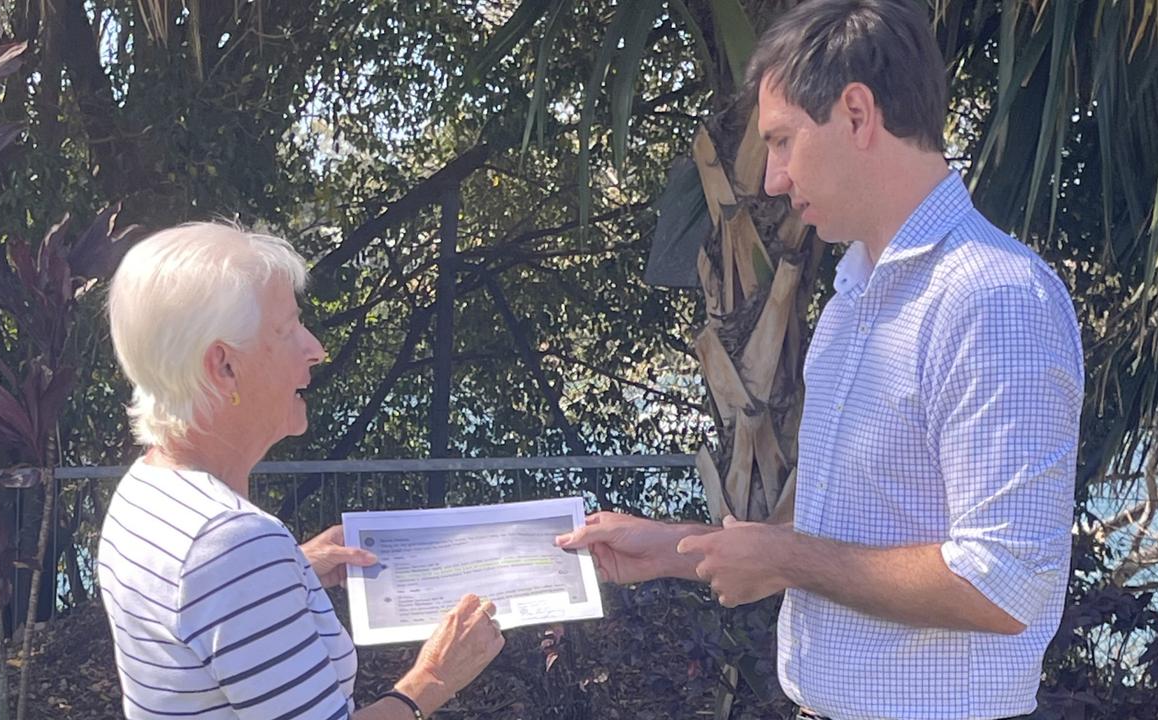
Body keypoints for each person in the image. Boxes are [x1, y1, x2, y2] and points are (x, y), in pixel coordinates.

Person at [556, 1, 1083, 719]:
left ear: (857, 114)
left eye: (781, 141)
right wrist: (680, 549)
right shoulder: (854, 295)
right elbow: (854, 538)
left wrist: (783, 560)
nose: (771, 178)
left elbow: (1007, 580)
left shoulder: (992, 299)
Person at [99, 222, 504, 719]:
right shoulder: (231, 545)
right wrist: (433, 679)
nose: (315, 348)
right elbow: (217, 570)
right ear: (223, 367)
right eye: (287, 329)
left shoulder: (146, 489)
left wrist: (292, 568)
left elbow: (195, 619)